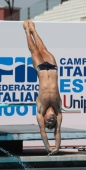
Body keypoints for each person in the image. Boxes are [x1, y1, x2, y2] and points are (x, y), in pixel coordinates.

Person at [23, 20, 62, 156]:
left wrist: (48, 148)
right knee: (44, 49)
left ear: (44, 118)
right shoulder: (58, 110)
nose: (52, 120)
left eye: (48, 122)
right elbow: (57, 131)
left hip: (40, 69)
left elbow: (42, 132)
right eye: (53, 122)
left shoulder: (40, 110)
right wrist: (57, 147)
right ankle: (34, 29)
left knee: (34, 50)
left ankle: (27, 31)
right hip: (52, 68)